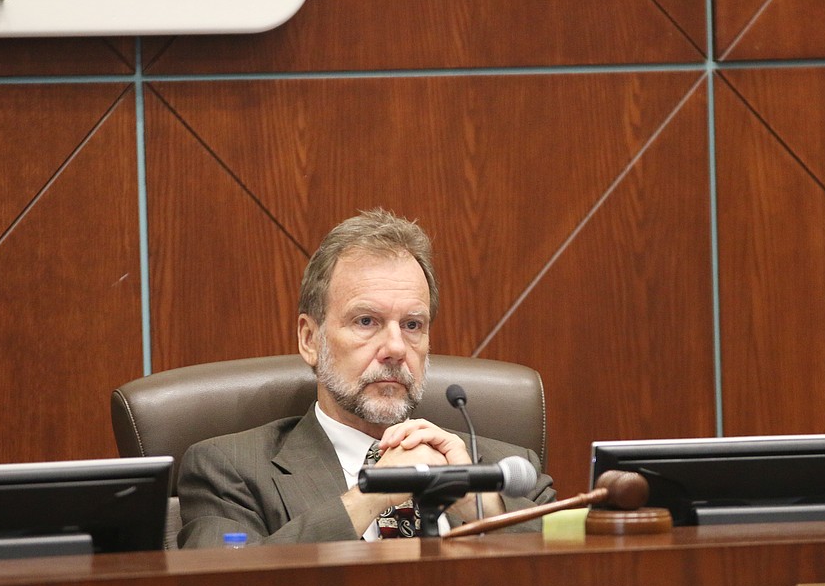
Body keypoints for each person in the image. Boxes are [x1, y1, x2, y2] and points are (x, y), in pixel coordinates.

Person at [177, 209, 556, 547]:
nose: (395, 347)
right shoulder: (231, 470)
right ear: (311, 340)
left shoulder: (507, 467)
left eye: (412, 325)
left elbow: (572, 574)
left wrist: (473, 497)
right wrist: (375, 491)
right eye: (366, 321)